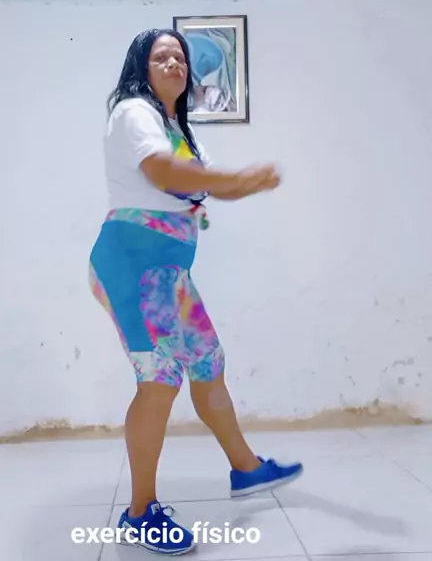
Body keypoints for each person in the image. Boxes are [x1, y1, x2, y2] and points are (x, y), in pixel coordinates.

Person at [89, 29, 303, 554]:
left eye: (180, 57)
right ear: (140, 67)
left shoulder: (182, 131)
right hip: (131, 266)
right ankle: (139, 512)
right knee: (159, 379)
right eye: (160, 56)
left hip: (168, 273)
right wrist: (236, 181)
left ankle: (246, 469)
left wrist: (225, 186)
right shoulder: (133, 112)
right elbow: (163, 173)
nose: (173, 63)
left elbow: (192, 184)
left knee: (208, 362)